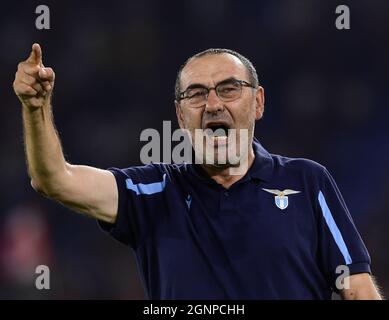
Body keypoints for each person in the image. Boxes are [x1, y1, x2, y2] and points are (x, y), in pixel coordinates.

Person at [13, 43, 382, 300]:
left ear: (258, 103)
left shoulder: (306, 181)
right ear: (179, 115)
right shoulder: (152, 193)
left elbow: (357, 287)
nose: (212, 104)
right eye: (196, 94)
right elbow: (54, 179)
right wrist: (35, 108)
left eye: (229, 89)